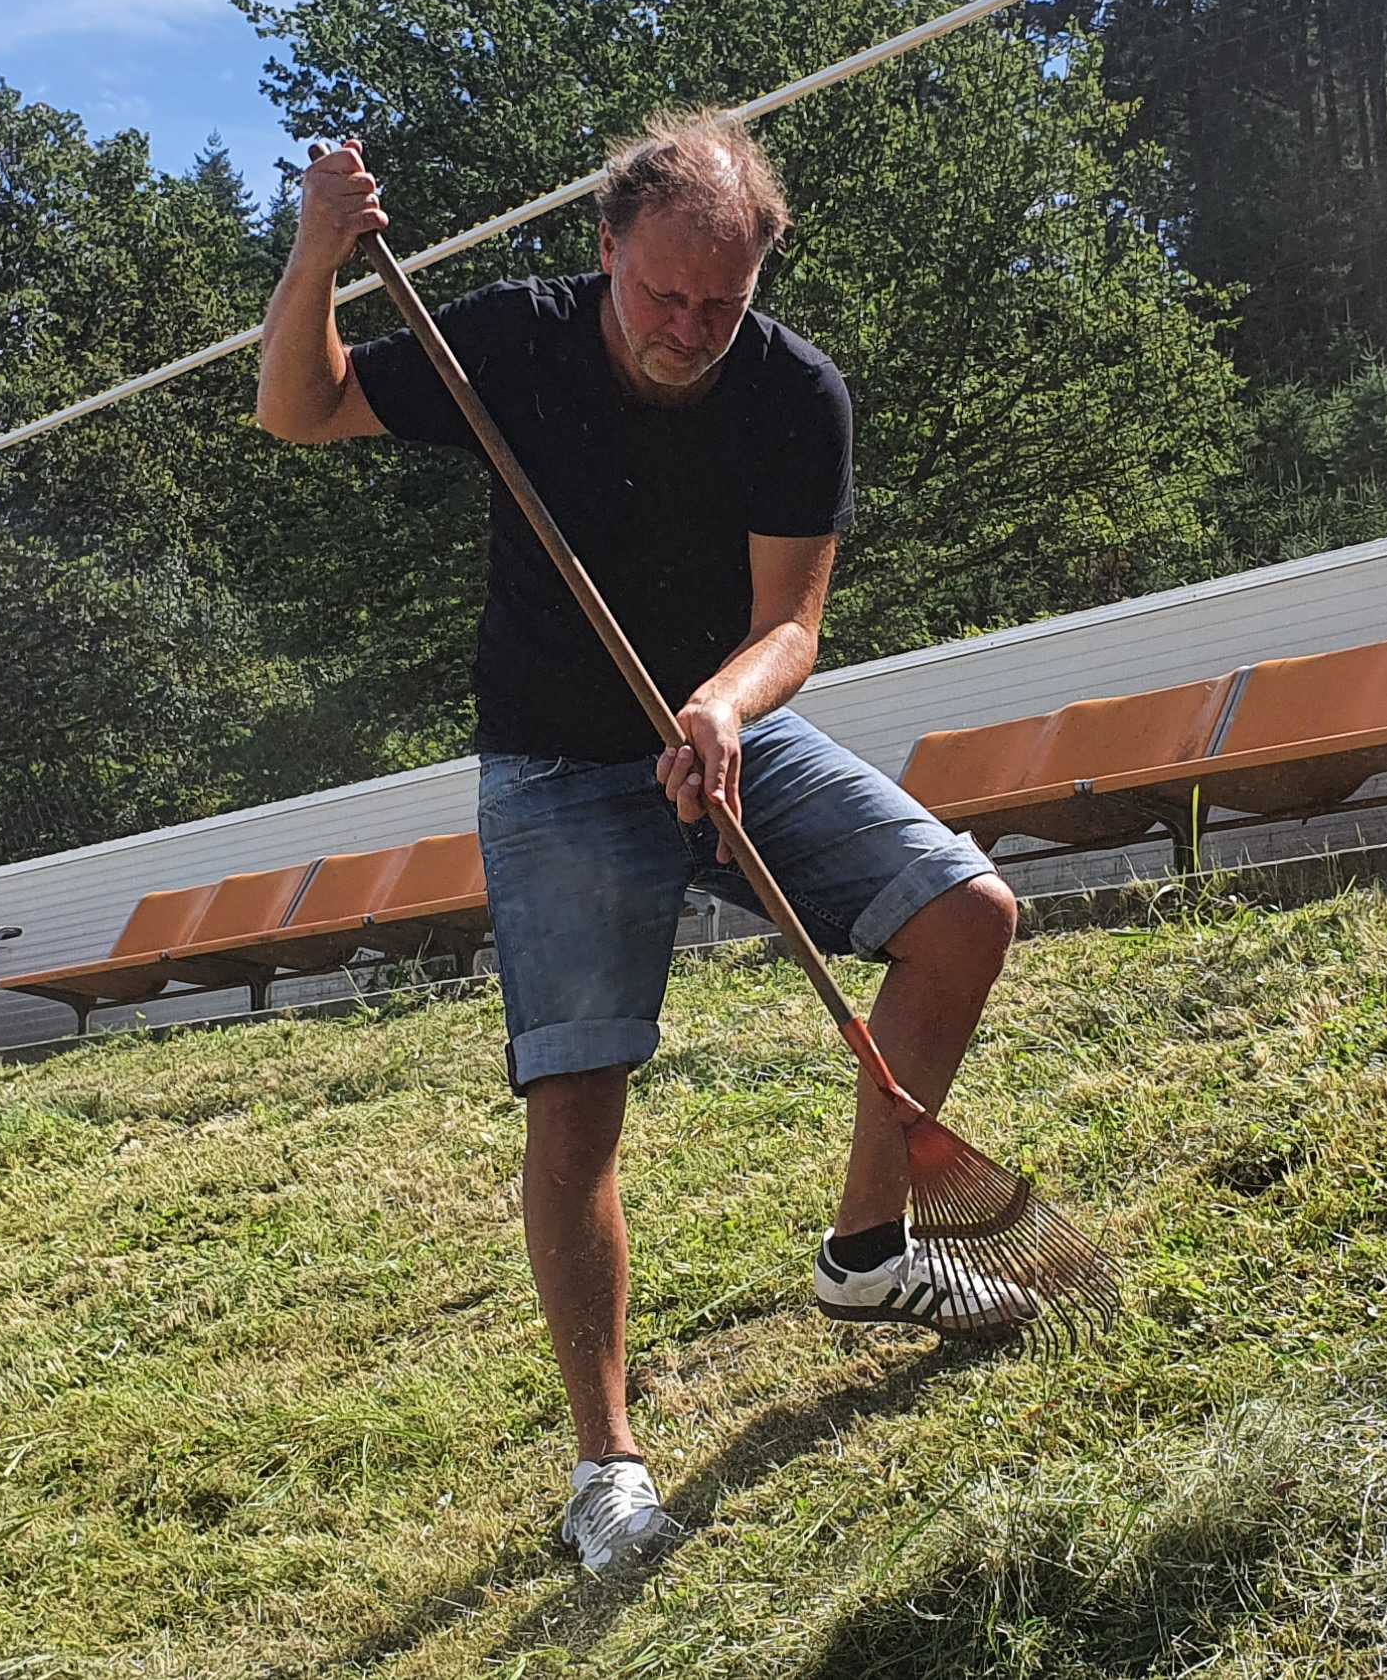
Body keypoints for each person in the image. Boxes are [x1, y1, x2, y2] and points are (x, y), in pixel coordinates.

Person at [253, 108, 1031, 1578]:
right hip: (556, 767)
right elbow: (303, 408)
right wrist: (318, 255)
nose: (686, 329)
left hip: (727, 727)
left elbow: (791, 623)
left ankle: (869, 1256)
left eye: (721, 305)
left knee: (966, 913)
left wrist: (725, 709)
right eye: (661, 294)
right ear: (604, 248)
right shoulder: (513, 341)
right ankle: (607, 1467)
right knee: (578, 1096)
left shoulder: (795, 395)